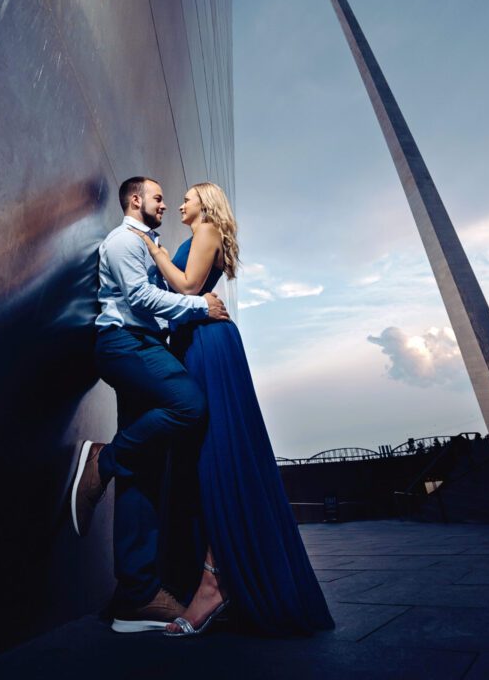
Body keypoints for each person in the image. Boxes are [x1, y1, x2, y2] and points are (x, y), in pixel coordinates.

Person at [131, 182, 334, 638]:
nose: (179, 204)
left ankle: (214, 582)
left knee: (217, 458)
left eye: (186, 197)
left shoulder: (206, 231)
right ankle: (207, 576)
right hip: (193, 342)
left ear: (206, 202)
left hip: (209, 346)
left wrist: (151, 247)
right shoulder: (194, 236)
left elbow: (187, 286)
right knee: (196, 462)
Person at [70, 176, 229, 633]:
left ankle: (135, 596)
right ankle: (104, 458)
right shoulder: (124, 241)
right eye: (159, 198)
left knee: (141, 474)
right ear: (136, 200)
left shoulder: (148, 243)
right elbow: (139, 298)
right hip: (126, 345)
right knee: (189, 407)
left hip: (143, 345)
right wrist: (200, 307)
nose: (166, 204)